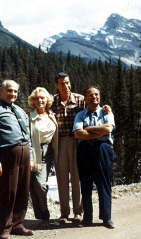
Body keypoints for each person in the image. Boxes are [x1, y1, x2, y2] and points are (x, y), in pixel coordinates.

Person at [0, 80, 34, 239]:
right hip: (5, 155)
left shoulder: (18, 110)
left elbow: (27, 135)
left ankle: (18, 224)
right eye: (9, 91)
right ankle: (4, 228)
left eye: (15, 92)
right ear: (1, 90)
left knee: (22, 191)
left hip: (24, 153)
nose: (13, 94)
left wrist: (30, 155)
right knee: (6, 192)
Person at [73, 86, 115, 229]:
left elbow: (109, 129)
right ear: (85, 98)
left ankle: (107, 217)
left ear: (100, 97)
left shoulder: (106, 112)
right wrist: (100, 132)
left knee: (104, 183)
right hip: (85, 151)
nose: (94, 97)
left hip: (103, 149)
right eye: (90, 95)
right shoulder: (80, 115)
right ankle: (87, 218)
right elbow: (78, 134)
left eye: (96, 94)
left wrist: (88, 129)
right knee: (85, 185)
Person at [51, 72, 84, 223]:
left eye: (68, 82)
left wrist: (106, 108)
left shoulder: (80, 100)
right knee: (62, 178)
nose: (66, 86)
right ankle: (64, 213)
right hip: (59, 142)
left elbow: (93, 108)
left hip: (77, 141)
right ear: (57, 85)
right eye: (62, 84)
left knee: (77, 177)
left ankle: (78, 212)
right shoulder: (51, 102)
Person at [28, 87, 58, 226]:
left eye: (42, 98)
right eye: (37, 98)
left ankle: (44, 216)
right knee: (39, 184)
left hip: (52, 150)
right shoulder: (30, 117)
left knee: (38, 184)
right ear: (33, 101)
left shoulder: (52, 115)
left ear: (47, 100)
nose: (40, 100)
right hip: (37, 151)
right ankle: (44, 214)